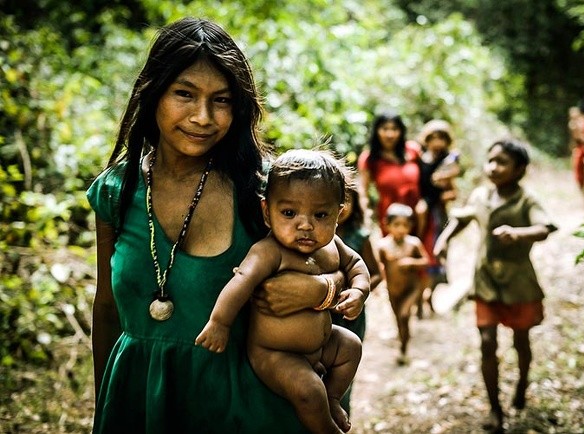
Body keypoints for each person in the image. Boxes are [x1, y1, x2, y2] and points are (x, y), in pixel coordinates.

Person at [86, 18, 346, 433]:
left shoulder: (266, 189)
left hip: (248, 412)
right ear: (153, 93)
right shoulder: (116, 192)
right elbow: (106, 308)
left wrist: (322, 290)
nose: (203, 117)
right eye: (184, 94)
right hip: (142, 407)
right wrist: (105, 408)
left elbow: (342, 269)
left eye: (221, 100)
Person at [195, 149, 370, 434]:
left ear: (338, 214)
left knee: (351, 346)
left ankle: (334, 397)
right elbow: (240, 283)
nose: (305, 224)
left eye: (320, 214)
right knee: (308, 390)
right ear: (267, 212)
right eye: (289, 213)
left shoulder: (333, 246)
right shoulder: (268, 252)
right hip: (276, 353)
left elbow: (357, 265)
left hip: (323, 346)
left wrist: (359, 292)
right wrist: (219, 322)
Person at [434, 139, 557, 433]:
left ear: (519, 170)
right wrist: (444, 238)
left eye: (502, 162)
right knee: (487, 342)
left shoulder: (527, 200)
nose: (493, 167)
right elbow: (461, 219)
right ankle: (494, 409)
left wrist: (518, 233)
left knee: (521, 341)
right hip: (485, 280)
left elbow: (545, 228)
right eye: (490, 160)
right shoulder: (480, 195)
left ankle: (523, 382)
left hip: (519, 283)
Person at [331, 184, 382, 414]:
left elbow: (377, 272)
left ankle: (341, 417)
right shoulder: (309, 234)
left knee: (342, 374)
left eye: (347, 201)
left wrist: (358, 292)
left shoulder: (360, 236)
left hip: (351, 317)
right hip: (318, 316)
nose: (341, 207)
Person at [414, 119, 461, 318]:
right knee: (418, 254)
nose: (437, 142)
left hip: (437, 216)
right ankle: (417, 301)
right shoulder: (419, 159)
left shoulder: (449, 162)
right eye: (433, 137)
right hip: (418, 214)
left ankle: (429, 296)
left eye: (441, 138)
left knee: (435, 256)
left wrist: (441, 195)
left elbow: (453, 192)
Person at [376, 203, 430, 365]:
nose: (401, 229)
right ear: (387, 225)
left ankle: (404, 349)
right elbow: (378, 267)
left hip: (412, 288)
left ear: (411, 226)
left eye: (405, 225)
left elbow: (426, 261)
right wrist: (378, 285)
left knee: (405, 315)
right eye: (396, 225)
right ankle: (403, 342)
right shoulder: (383, 246)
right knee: (399, 320)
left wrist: (411, 262)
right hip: (393, 290)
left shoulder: (413, 243)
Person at [357, 110, 422, 236]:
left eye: (394, 129)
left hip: (420, 216)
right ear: (377, 131)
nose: (390, 134)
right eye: (384, 128)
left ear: (401, 131)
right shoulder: (369, 158)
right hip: (392, 219)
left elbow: (428, 175)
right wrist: (364, 214)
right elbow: (362, 191)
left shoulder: (413, 150)